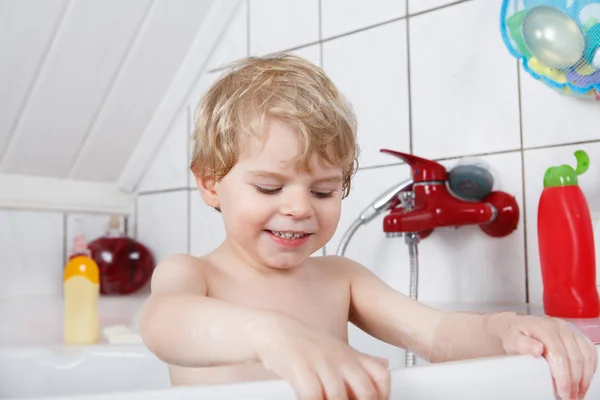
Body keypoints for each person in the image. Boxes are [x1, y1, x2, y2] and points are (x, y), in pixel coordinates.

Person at [139, 53, 597, 400]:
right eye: (268, 188)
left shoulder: (341, 278)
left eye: (323, 192)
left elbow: (436, 335)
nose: (300, 208)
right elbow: (163, 325)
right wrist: (272, 335)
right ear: (211, 183)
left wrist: (504, 329)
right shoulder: (193, 276)